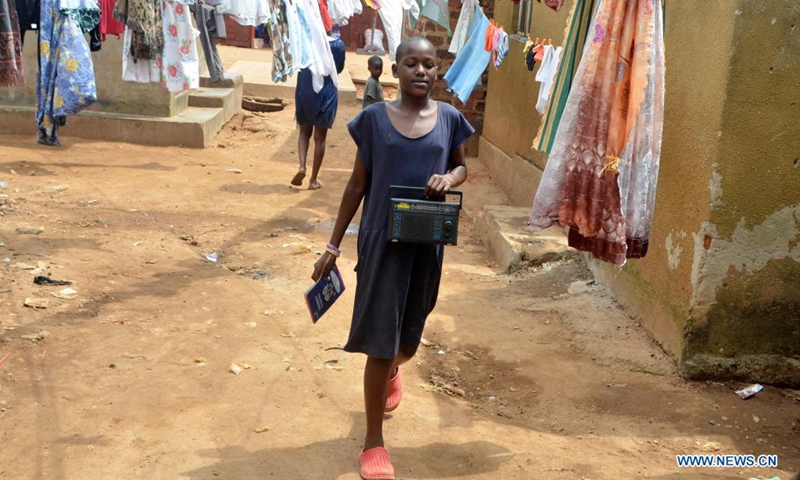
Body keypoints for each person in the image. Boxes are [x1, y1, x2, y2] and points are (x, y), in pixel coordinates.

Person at [311, 37, 474, 480]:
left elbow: (461, 166)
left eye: (429, 64)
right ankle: (373, 442)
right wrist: (333, 246)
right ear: (395, 70)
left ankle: (393, 371)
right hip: (382, 242)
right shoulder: (374, 120)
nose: (421, 71)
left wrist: (449, 178)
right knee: (381, 343)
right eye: (411, 64)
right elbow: (356, 185)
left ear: (437, 70)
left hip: (426, 242)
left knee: (408, 342)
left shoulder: (450, 119)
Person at [291, 32, 346, 190]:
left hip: (305, 89)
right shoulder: (338, 45)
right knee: (320, 139)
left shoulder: (304, 40)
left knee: (304, 132)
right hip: (325, 91)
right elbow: (339, 68)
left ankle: (302, 166)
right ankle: (313, 180)